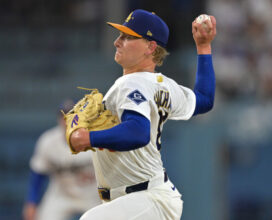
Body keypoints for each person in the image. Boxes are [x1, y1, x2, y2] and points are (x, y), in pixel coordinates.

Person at [69, 9, 216, 220]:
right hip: (147, 199)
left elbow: (138, 132)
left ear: (151, 47)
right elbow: (204, 99)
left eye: (127, 37)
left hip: (147, 198)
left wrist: (88, 138)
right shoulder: (162, 85)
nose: (117, 42)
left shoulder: (132, 83)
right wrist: (204, 47)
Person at [22, 100, 100, 220]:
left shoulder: (96, 139)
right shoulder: (48, 141)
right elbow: (38, 174)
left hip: (91, 193)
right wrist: (31, 202)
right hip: (61, 194)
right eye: (64, 116)